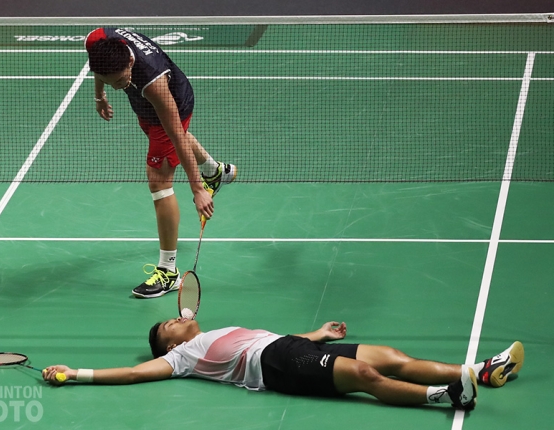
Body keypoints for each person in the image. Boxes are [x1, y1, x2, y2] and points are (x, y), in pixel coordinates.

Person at [43, 318, 524, 411]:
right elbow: (131, 374)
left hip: (289, 346)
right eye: (168, 325)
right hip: (277, 368)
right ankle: (443, 395)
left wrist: (317, 335)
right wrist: (73, 373)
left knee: (394, 357)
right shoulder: (181, 357)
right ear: (167, 344)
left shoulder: (214, 330)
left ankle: (479, 371)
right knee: (365, 377)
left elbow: (266, 337)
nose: (175, 319)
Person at [84, 28, 237, 299]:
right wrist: (100, 95)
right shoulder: (97, 41)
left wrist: (198, 190)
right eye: (110, 82)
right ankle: (213, 171)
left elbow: (176, 134)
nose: (116, 86)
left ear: (129, 62)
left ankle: (168, 271)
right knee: (167, 145)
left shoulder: (153, 83)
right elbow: (100, 68)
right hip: (144, 105)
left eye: (119, 80)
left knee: (159, 182)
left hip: (173, 102)